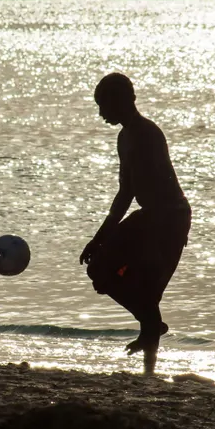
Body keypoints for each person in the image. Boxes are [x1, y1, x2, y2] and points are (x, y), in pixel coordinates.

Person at [80, 73, 191, 373]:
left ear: (122, 101)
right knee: (100, 270)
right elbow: (125, 192)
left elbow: (141, 192)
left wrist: (105, 236)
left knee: (148, 290)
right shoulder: (124, 137)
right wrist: (99, 238)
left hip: (170, 218)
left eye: (103, 105)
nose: (101, 113)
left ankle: (149, 363)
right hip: (150, 217)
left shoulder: (147, 134)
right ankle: (151, 326)